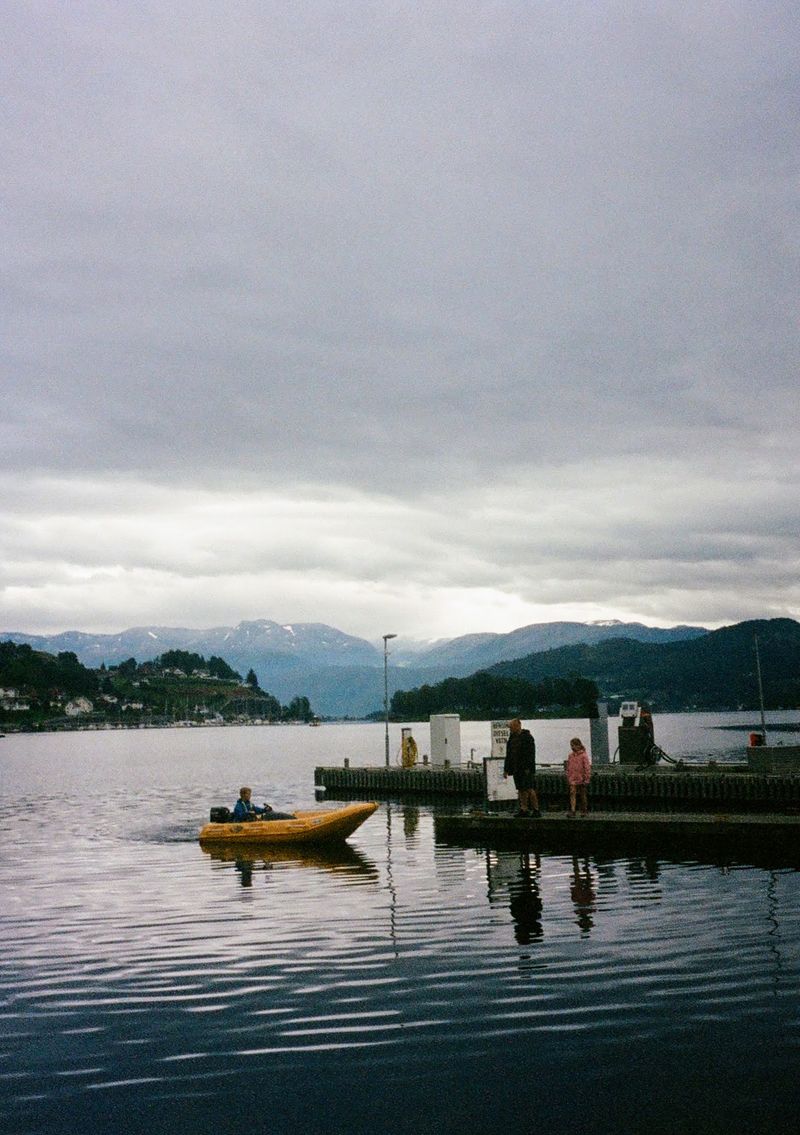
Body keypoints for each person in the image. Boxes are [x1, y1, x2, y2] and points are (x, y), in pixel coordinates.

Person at [503, 718, 540, 817]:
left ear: (518, 725)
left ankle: (536, 809)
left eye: (512, 727)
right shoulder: (512, 737)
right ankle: (524, 809)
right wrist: (506, 769)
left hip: (526, 768)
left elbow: (531, 754)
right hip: (516, 767)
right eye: (510, 727)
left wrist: (529, 767)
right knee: (520, 789)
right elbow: (509, 754)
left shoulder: (527, 737)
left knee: (529, 788)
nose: (511, 729)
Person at [565, 737, 591, 816]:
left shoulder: (583, 756)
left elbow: (587, 768)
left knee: (582, 795)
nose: (572, 747)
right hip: (572, 778)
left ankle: (584, 810)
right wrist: (568, 776)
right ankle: (573, 810)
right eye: (571, 745)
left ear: (578, 745)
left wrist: (586, 779)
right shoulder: (570, 756)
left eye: (573, 745)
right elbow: (569, 767)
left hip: (581, 778)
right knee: (572, 794)